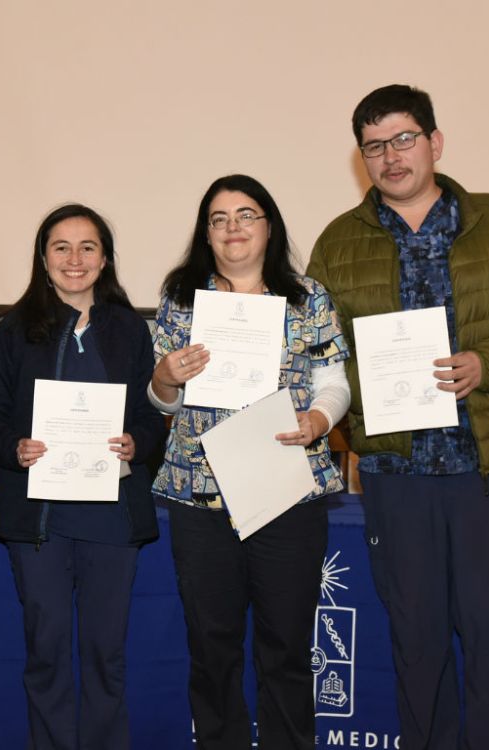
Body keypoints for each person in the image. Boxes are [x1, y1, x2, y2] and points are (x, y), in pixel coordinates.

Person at [307, 84, 489, 750]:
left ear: (435, 142)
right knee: (416, 650)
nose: (391, 157)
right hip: (396, 479)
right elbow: (319, 356)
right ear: (361, 158)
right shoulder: (337, 244)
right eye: (375, 146)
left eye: (403, 139)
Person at [150, 174, 351, 749]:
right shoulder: (182, 298)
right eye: (219, 218)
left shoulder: (307, 297)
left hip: (284, 491)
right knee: (211, 648)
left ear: (269, 226)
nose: (232, 228)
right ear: (206, 233)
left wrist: (320, 419)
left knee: (286, 648)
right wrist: (163, 380)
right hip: (201, 498)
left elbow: (332, 379)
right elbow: (164, 400)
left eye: (245, 215)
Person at [0, 204, 166, 749]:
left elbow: (154, 414)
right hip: (40, 521)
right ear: (43, 257)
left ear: (105, 260)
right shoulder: (12, 329)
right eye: (61, 247)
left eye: (88, 248)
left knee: (107, 654)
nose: (74, 259)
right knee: (47, 650)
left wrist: (139, 441)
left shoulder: (129, 328)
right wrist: (14, 447)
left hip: (112, 515)